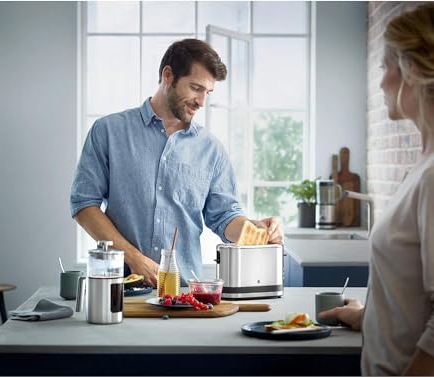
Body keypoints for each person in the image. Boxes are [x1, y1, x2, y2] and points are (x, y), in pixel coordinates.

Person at [70, 39, 284, 287]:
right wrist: (134, 258)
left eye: (208, 92)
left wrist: (255, 228)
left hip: (185, 296)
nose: (201, 101)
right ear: (168, 76)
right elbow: (84, 204)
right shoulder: (109, 131)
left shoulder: (211, 150)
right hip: (120, 291)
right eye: (195, 88)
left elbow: (224, 216)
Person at [318, 4, 434, 375]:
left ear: (412, 71)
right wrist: (369, 316)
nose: (381, 81)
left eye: (385, 66)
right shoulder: (420, 170)